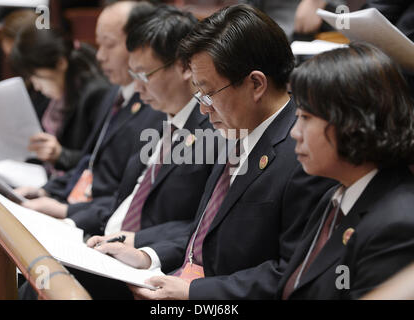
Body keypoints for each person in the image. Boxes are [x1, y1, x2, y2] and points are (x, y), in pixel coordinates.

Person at [89, 4, 336, 300]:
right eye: (198, 94)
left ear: (256, 84)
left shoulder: (304, 152)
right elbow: (205, 235)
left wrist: (194, 293)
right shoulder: (237, 128)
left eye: (208, 93)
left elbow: (290, 273)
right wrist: (148, 256)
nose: (203, 109)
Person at [277, 42, 414, 300]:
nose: (294, 132)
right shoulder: (336, 193)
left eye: (305, 117)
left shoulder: (399, 225)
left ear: (352, 123)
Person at [14, 2, 165, 232]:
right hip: (76, 207)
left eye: (110, 45)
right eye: (99, 44)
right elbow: (88, 163)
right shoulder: (113, 94)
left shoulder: (155, 110)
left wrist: (67, 212)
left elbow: (126, 196)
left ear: (141, 46)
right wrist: (46, 190)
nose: (100, 55)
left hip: (96, 225)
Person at [10, 25, 110, 173]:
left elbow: (101, 161)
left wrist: (60, 155)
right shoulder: (56, 89)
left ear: (61, 63)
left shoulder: (95, 94)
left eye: (39, 77)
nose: (37, 86)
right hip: (48, 178)